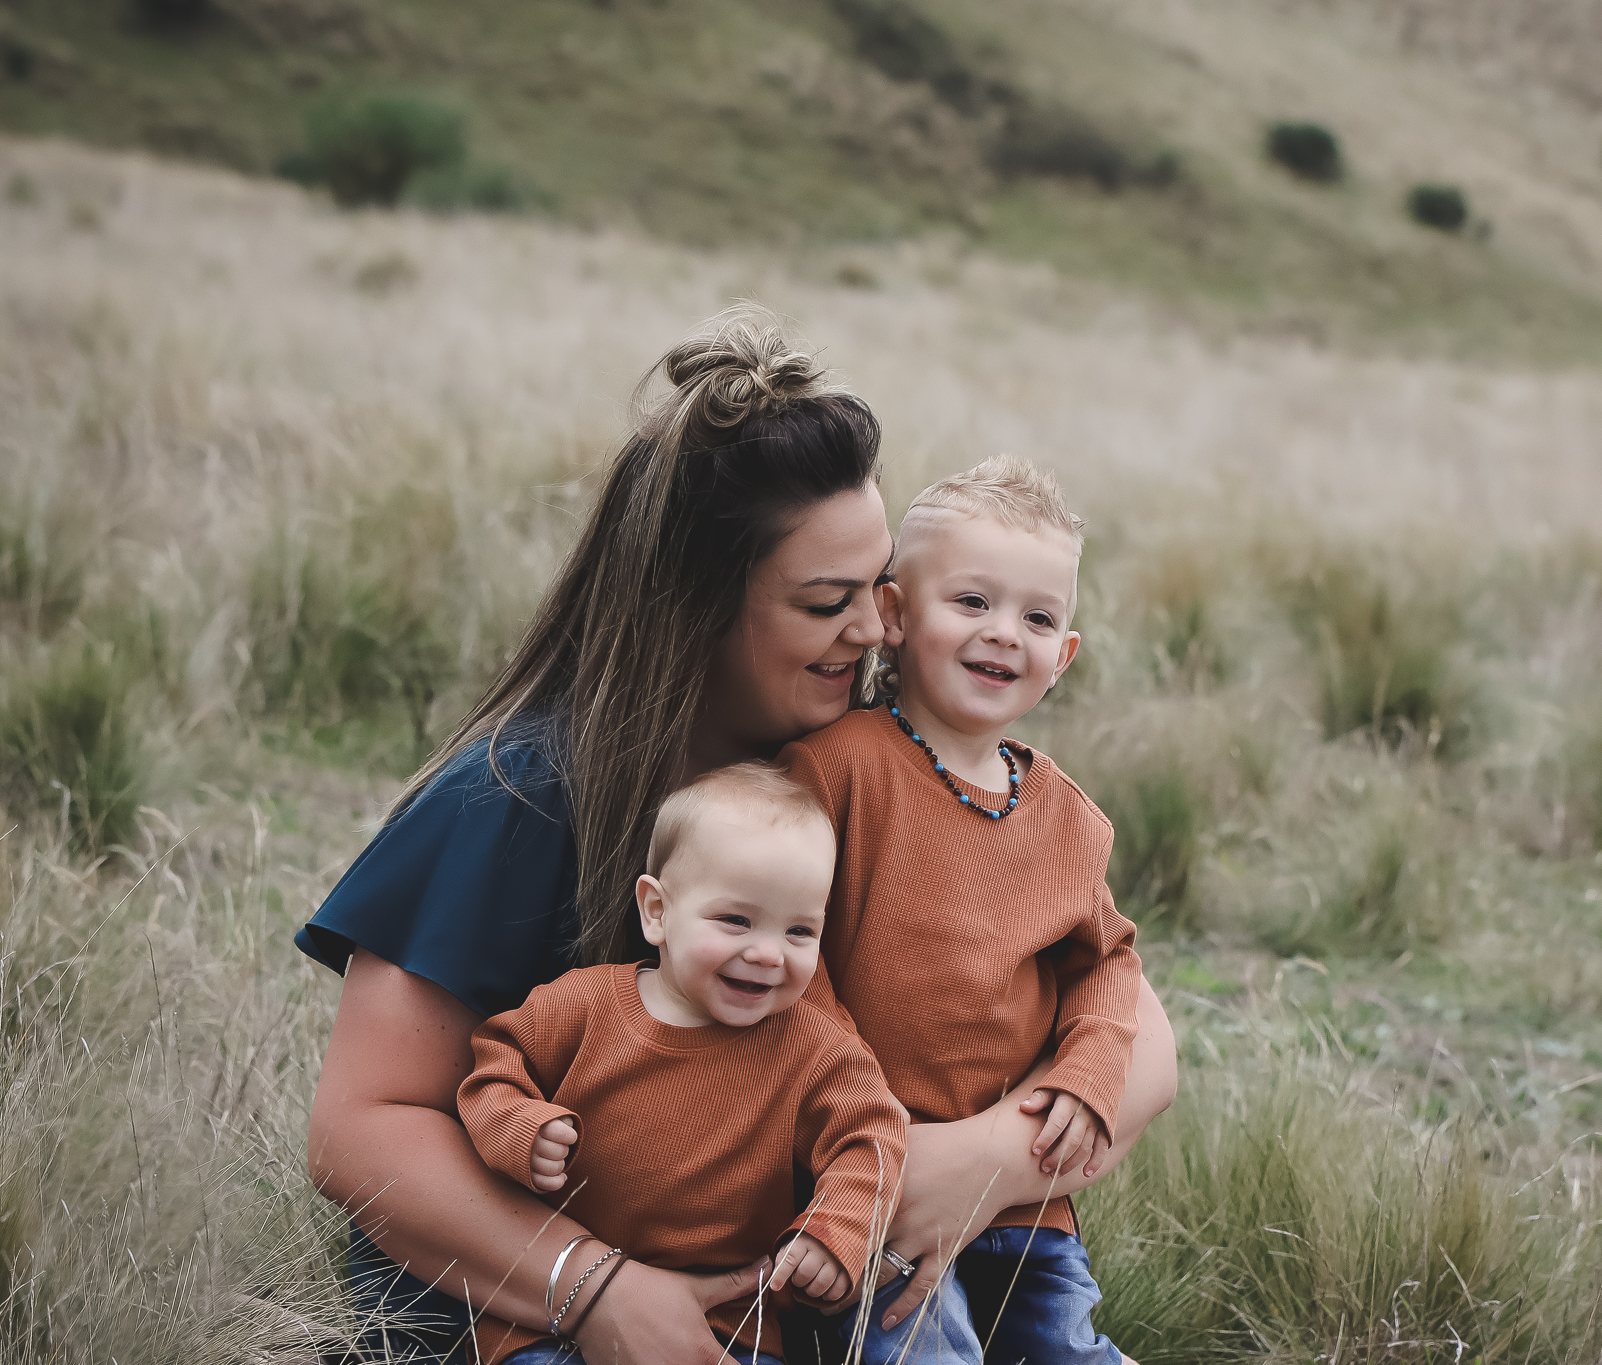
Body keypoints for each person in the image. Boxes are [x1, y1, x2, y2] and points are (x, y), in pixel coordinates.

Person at [297, 304, 1178, 1365]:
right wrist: (598, 1291)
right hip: (517, 1322)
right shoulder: (518, 795)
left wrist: (976, 1160)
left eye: (878, 592)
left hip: (791, 1309)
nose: (870, 632)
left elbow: (1142, 1042)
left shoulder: (857, 769)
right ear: (696, 604)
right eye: (824, 603)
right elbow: (361, 1128)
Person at [782, 455, 1138, 1363]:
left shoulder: (1065, 814)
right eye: (972, 602)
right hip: (870, 1177)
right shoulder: (840, 768)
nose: (1003, 635)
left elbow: (1104, 960)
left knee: (1064, 1348)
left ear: (1063, 658)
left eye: (1037, 617)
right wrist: (855, 1105)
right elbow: (797, 951)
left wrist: (1091, 1071)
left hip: (1024, 1199)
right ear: (894, 615)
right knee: (921, 1351)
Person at [457, 764, 906, 1365]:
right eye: (736, 920)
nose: (769, 953)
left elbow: (873, 1136)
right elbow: (493, 1066)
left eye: (800, 931)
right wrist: (517, 1128)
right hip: (553, 1319)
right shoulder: (581, 1007)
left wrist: (836, 1233)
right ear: (657, 912)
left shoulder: (819, 1051)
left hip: (727, 1323)